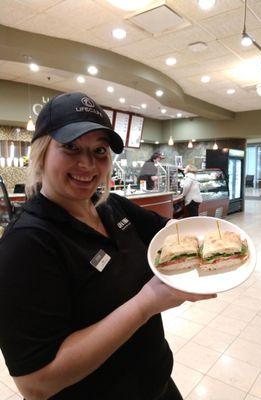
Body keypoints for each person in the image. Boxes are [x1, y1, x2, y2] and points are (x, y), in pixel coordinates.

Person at [0, 92, 216, 400]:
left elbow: (171, 234)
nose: (87, 164)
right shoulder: (26, 243)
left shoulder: (110, 206)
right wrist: (146, 304)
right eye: (71, 147)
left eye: (99, 150)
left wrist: (212, 245)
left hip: (158, 384)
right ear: (42, 153)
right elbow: (36, 384)